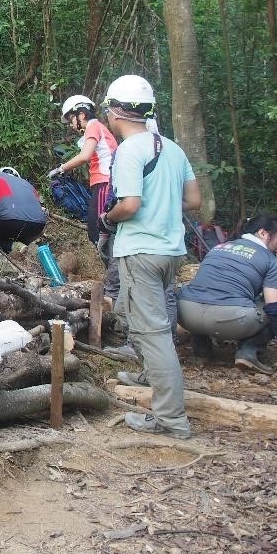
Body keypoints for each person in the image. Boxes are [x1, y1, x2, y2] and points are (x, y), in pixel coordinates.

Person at [99, 74, 201, 439]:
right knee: (146, 322)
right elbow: (194, 201)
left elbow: (129, 204)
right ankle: (149, 377)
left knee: (153, 332)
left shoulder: (129, 149)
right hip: (171, 250)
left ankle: (170, 418)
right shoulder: (173, 148)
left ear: (114, 111)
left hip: (141, 249)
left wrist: (106, 218)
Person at [178, 214, 277, 374]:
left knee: (202, 294)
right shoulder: (270, 260)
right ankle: (248, 351)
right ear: (263, 233)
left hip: (186, 315)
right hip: (231, 319)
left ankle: (201, 351)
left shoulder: (219, 247)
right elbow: (276, 308)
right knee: (275, 306)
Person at [49, 94, 119, 248]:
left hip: (105, 183)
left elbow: (84, 156)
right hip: (105, 183)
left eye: (71, 119)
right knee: (100, 230)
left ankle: (115, 269)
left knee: (99, 231)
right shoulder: (98, 127)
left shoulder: (93, 126)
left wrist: (61, 168)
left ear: (81, 114)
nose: (71, 125)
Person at [0, 166, 47, 252]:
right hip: (38, 226)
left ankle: (13, 246)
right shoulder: (29, 186)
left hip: (9, 219)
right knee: (17, 231)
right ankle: (24, 246)